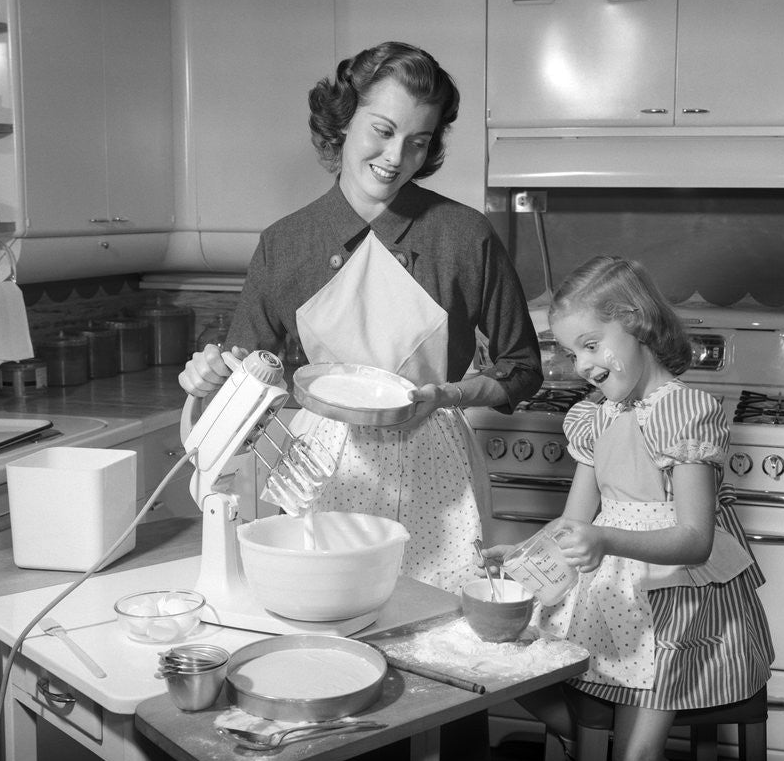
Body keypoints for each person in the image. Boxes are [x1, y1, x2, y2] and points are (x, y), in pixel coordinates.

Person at [179, 41, 542, 595]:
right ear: (342, 122)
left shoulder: (464, 237)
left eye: (418, 142)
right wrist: (210, 380)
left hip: (434, 469)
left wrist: (445, 395)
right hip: (317, 472)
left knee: (437, 630)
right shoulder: (286, 244)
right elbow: (246, 380)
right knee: (327, 620)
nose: (397, 157)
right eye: (382, 129)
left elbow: (522, 369)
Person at [484, 255, 774, 761]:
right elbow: (574, 522)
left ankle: (596, 750)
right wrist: (525, 554)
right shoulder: (597, 416)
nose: (583, 365)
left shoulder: (685, 411)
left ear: (637, 321)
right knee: (501, 668)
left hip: (676, 608)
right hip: (610, 597)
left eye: (592, 345)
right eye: (572, 352)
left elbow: (694, 541)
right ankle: (581, 742)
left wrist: (605, 539)